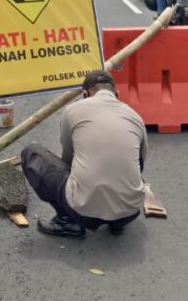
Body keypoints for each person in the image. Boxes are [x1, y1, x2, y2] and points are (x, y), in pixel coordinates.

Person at [21, 71, 148, 238]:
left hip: (83, 211)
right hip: (130, 211)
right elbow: (141, 161)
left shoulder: (73, 110)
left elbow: (67, 156)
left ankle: (67, 221)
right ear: (117, 94)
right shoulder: (135, 116)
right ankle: (116, 222)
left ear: (85, 94)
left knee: (31, 153)